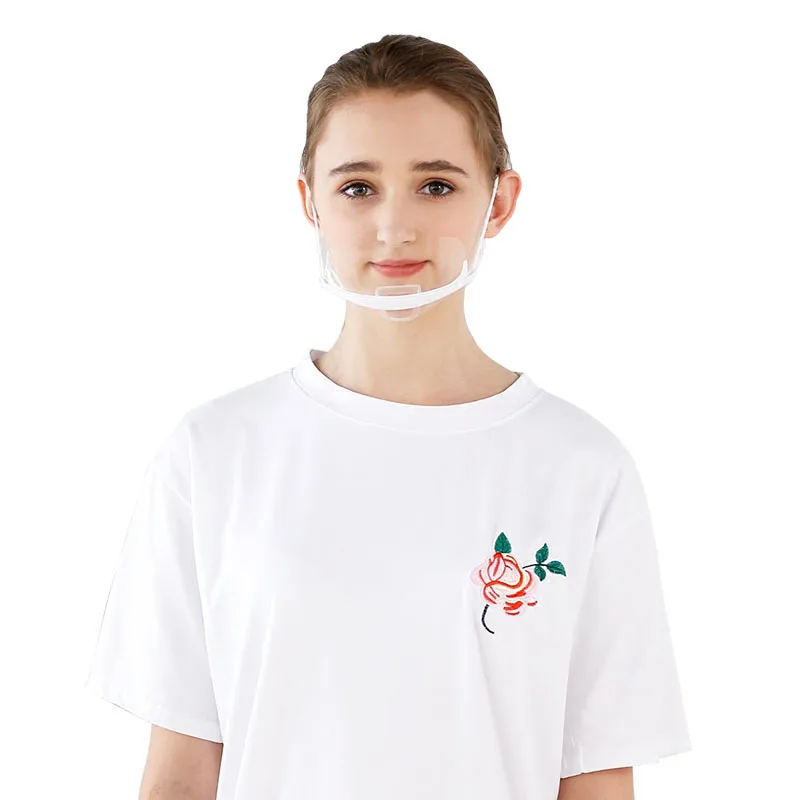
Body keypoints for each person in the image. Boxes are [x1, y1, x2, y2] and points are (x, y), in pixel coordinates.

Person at [84, 33, 692, 800]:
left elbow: (596, 778)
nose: (394, 226)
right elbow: (180, 773)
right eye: (357, 187)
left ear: (499, 201)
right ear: (309, 200)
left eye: (435, 185)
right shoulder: (214, 454)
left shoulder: (581, 468)